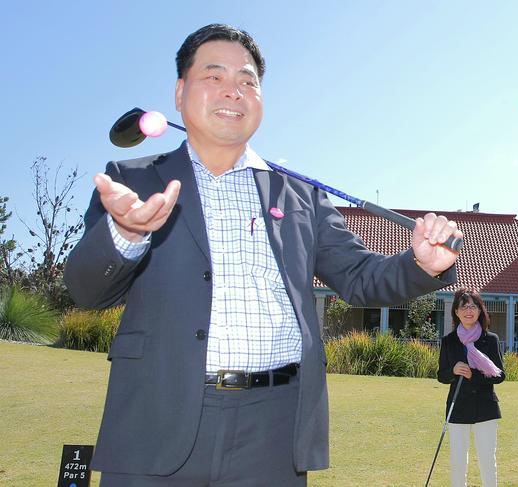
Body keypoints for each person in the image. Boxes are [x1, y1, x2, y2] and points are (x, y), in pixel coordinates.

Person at [64, 23, 463, 486]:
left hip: (274, 429)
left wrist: (420, 264)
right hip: (157, 418)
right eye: (214, 76)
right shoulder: (132, 180)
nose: (233, 91)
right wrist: (126, 232)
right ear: (179, 92)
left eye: (248, 81)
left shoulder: (300, 196)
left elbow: (360, 276)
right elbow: (87, 291)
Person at [437, 288, 504, 487]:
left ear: (480, 311)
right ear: (456, 312)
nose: (469, 311)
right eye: (464, 307)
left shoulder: (490, 339)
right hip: (458, 407)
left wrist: (473, 375)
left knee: (487, 462)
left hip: (486, 407)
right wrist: (454, 370)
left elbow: (499, 376)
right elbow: (442, 376)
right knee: (458, 462)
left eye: (473, 306)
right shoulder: (449, 341)